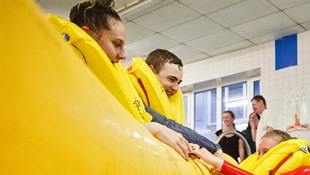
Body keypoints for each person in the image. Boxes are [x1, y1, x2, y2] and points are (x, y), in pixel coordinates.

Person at [68, 1, 223, 159]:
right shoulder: (64, 74)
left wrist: (202, 146)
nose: (123, 55)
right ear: (88, 35)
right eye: (116, 44)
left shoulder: (117, 82)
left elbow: (161, 122)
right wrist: (152, 129)